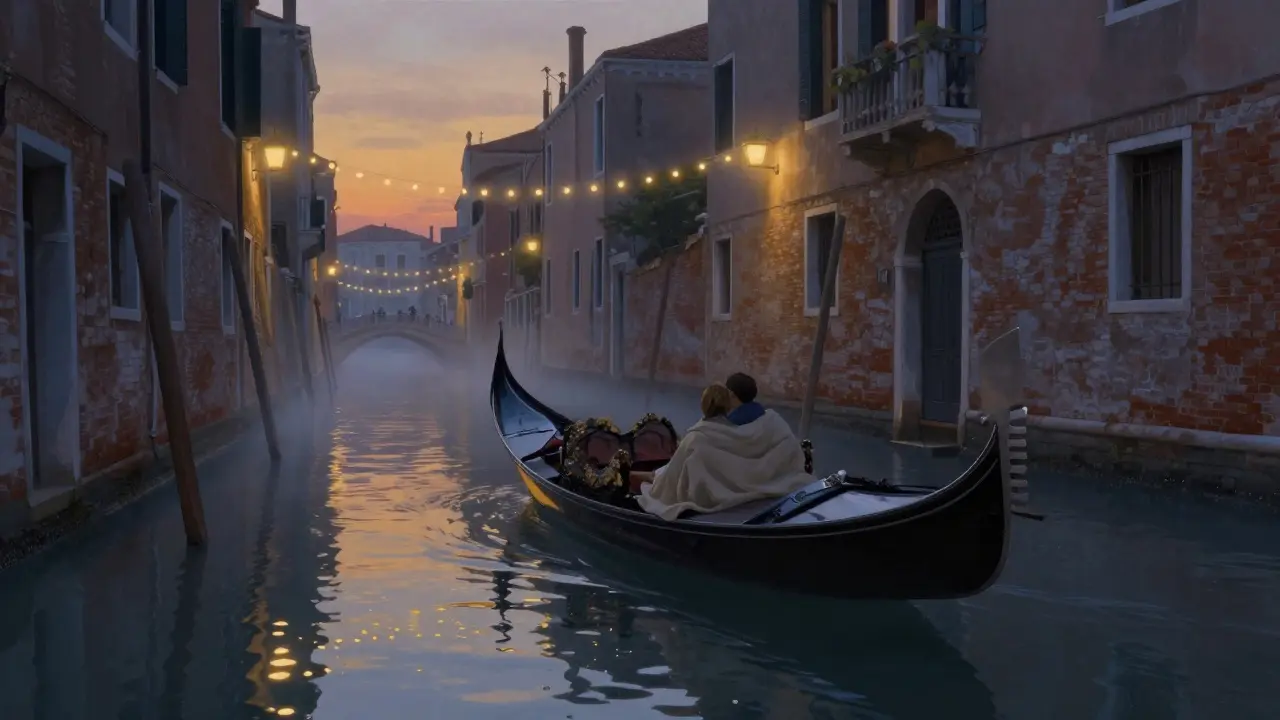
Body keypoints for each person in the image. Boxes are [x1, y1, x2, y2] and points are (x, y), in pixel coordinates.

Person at [625, 383, 811, 521]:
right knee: (659, 474)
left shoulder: (697, 437)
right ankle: (645, 475)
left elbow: (672, 483)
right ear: (728, 405)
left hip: (699, 491)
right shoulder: (737, 432)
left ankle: (629, 475)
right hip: (722, 484)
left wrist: (656, 482)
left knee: (655, 479)